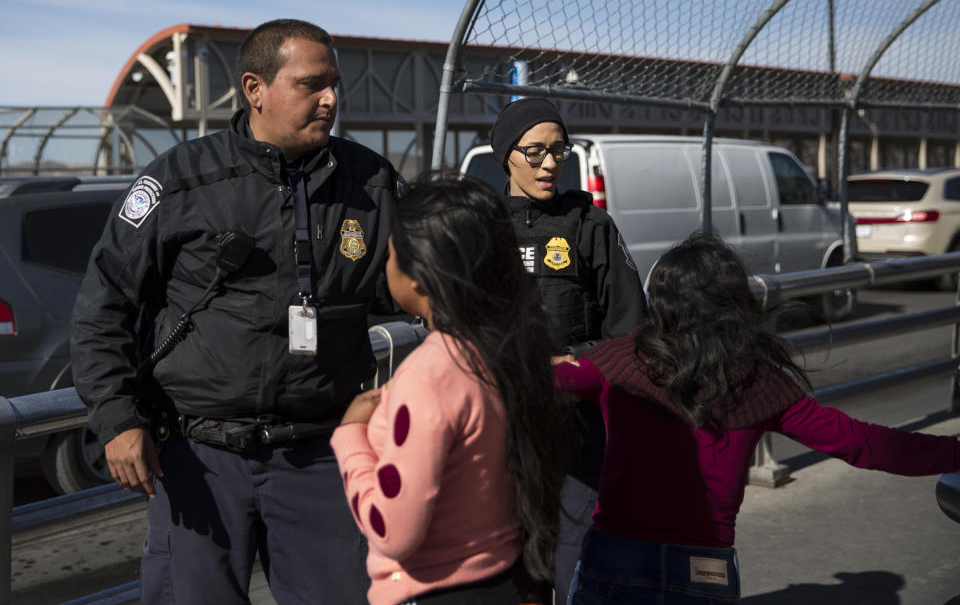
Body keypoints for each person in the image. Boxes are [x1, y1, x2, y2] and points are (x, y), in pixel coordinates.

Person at [71, 19, 403, 604]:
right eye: (311, 85)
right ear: (255, 88)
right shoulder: (180, 180)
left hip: (322, 457)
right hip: (200, 461)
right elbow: (104, 306)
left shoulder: (371, 183)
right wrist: (118, 419)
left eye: (335, 85)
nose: (330, 100)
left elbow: (419, 288)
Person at [555, 232, 960, 604]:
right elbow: (864, 443)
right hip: (705, 570)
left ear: (659, 303)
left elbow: (530, 384)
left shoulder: (615, 363)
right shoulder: (762, 381)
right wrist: (953, 452)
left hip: (617, 557)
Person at [331, 177, 567, 605]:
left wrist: (350, 437)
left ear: (420, 276)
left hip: (439, 591)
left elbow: (392, 531)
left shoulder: (429, 373)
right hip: (510, 578)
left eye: (390, 254)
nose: (386, 266)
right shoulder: (509, 348)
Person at [488, 96, 649, 602]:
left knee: (572, 556)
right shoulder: (482, 225)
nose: (550, 163)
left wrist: (579, 366)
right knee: (508, 558)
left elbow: (632, 331)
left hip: (576, 428)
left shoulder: (589, 224)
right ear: (507, 155)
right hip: (498, 421)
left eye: (560, 150)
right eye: (535, 152)